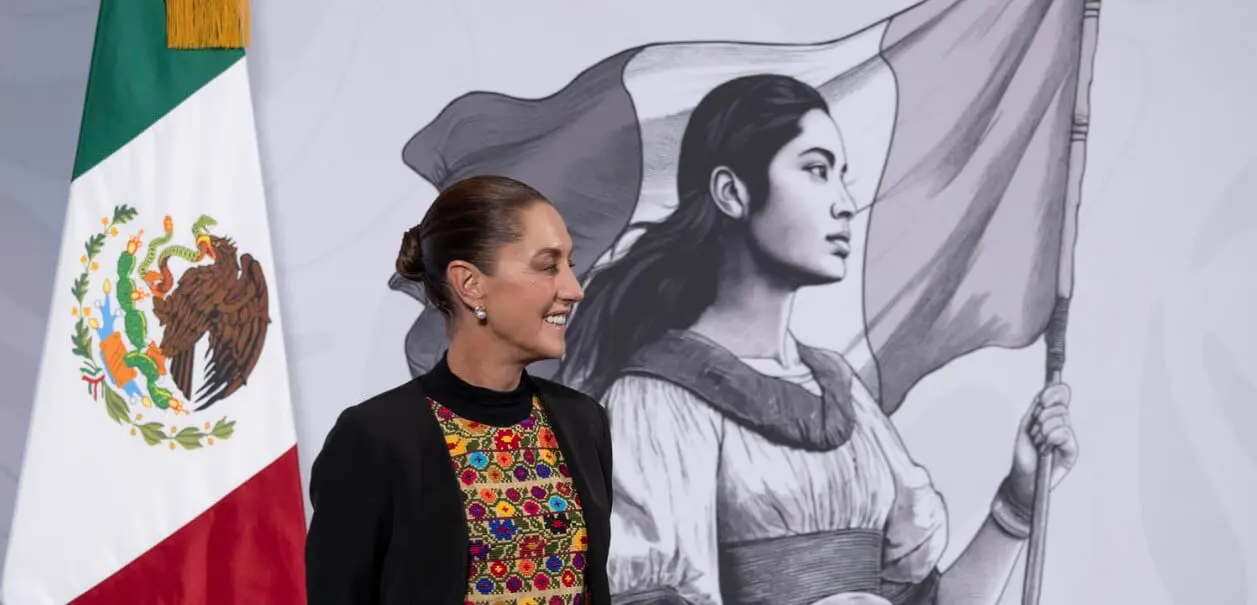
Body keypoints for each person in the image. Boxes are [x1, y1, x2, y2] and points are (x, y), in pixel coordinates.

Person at [557, 75, 1079, 605]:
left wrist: (1019, 503)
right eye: (816, 170)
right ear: (732, 193)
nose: (845, 203)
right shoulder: (656, 401)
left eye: (841, 176)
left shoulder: (842, 392)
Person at [305, 175, 613, 605]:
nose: (574, 290)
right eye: (548, 266)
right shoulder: (375, 438)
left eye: (569, 265)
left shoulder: (582, 421)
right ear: (470, 284)